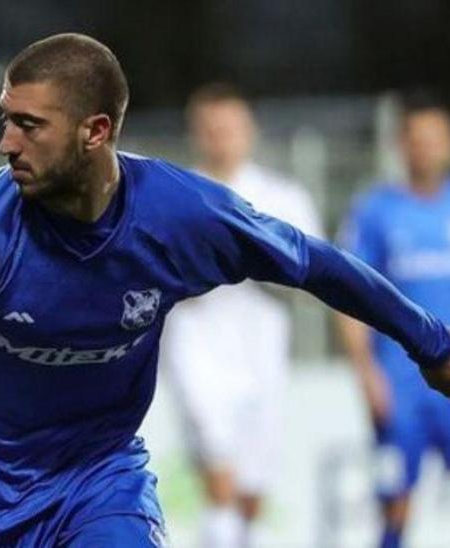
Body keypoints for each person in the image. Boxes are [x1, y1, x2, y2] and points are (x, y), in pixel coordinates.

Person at [0, 34, 450, 548]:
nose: (5, 145)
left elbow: (313, 262)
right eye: (4, 122)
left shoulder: (184, 217)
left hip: (95, 488)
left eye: (28, 125)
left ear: (95, 131)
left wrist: (429, 339)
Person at [335, 95, 450, 548]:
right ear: (402, 146)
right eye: (416, 141)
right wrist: (365, 371)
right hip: (401, 381)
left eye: (434, 140)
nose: (425, 150)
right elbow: (349, 294)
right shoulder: (375, 211)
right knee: (397, 504)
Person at [158, 83, 323, 547]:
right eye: (210, 129)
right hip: (196, 346)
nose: (220, 137)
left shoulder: (283, 197)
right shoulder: (175, 194)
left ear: (249, 130)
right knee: (220, 482)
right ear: (196, 133)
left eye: (229, 127)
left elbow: (313, 276)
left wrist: (262, 265)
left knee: (250, 493)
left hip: (262, 349)